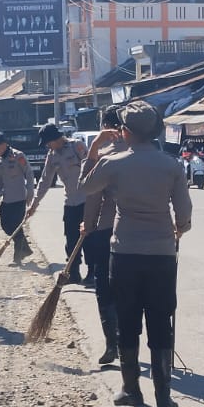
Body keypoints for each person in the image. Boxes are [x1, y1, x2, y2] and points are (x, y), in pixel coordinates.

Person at [79, 102, 191, 407]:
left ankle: (130, 389)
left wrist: (94, 150)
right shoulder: (172, 166)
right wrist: (179, 230)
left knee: (127, 321)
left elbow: (84, 188)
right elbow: (184, 215)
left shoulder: (113, 163)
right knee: (160, 321)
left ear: (125, 132)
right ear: (155, 132)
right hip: (162, 255)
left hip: (124, 252)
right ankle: (164, 398)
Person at [80, 105, 129, 365]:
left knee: (105, 291)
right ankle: (128, 343)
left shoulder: (104, 155)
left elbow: (89, 192)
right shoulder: (149, 152)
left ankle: (113, 344)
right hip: (141, 235)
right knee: (131, 292)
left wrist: (87, 225)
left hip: (107, 231)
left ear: (105, 127)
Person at [29, 123, 89, 281]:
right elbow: (45, 180)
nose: (48, 146)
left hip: (88, 201)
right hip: (70, 203)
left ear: (57, 138)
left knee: (90, 240)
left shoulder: (77, 146)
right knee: (70, 239)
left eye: (49, 142)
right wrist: (34, 204)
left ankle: (92, 273)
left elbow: (93, 168)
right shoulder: (52, 155)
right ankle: (74, 273)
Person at [0, 134, 35, 264]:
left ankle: (18, 257)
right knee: (6, 226)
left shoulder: (17, 156)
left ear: (4, 144)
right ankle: (25, 249)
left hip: (19, 197)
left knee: (16, 226)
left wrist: (30, 193)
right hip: (6, 199)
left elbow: (29, 173)